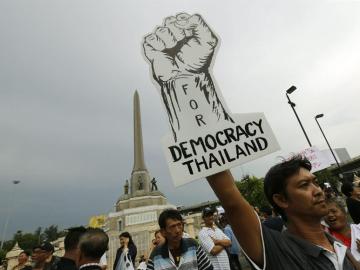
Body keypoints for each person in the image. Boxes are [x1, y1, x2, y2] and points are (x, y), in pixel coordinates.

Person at [206, 155, 360, 269]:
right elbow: (232, 201)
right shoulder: (274, 248)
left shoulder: (338, 246)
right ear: (281, 200)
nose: (318, 191)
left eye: (316, 182)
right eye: (304, 185)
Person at [146, 209, 213, 270]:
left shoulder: (192, 245)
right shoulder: (156, 255)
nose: (178, 230)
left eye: (179, 225)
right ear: (163, 232)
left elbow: (208, 268)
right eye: (172, 227)